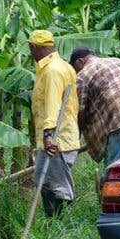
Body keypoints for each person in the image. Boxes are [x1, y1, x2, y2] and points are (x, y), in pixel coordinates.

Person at [28, 29, 80, 217]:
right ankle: (53, 224)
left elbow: (53, 105)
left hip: (56, 138)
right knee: (44, 180)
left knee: (57, 187)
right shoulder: (62, 66)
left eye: (31, 49)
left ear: (34, 47)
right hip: (58, 136)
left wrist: (49, 135)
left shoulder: (52, 70)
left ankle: (60, 226)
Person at [70, 47, 120, 167]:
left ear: (80, 61)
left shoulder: (82, 76)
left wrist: (74, 140)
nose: (76, 72)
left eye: (74, 69)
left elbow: (79, 112)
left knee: (116, 171)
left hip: (117, 124)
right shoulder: (118, 61)